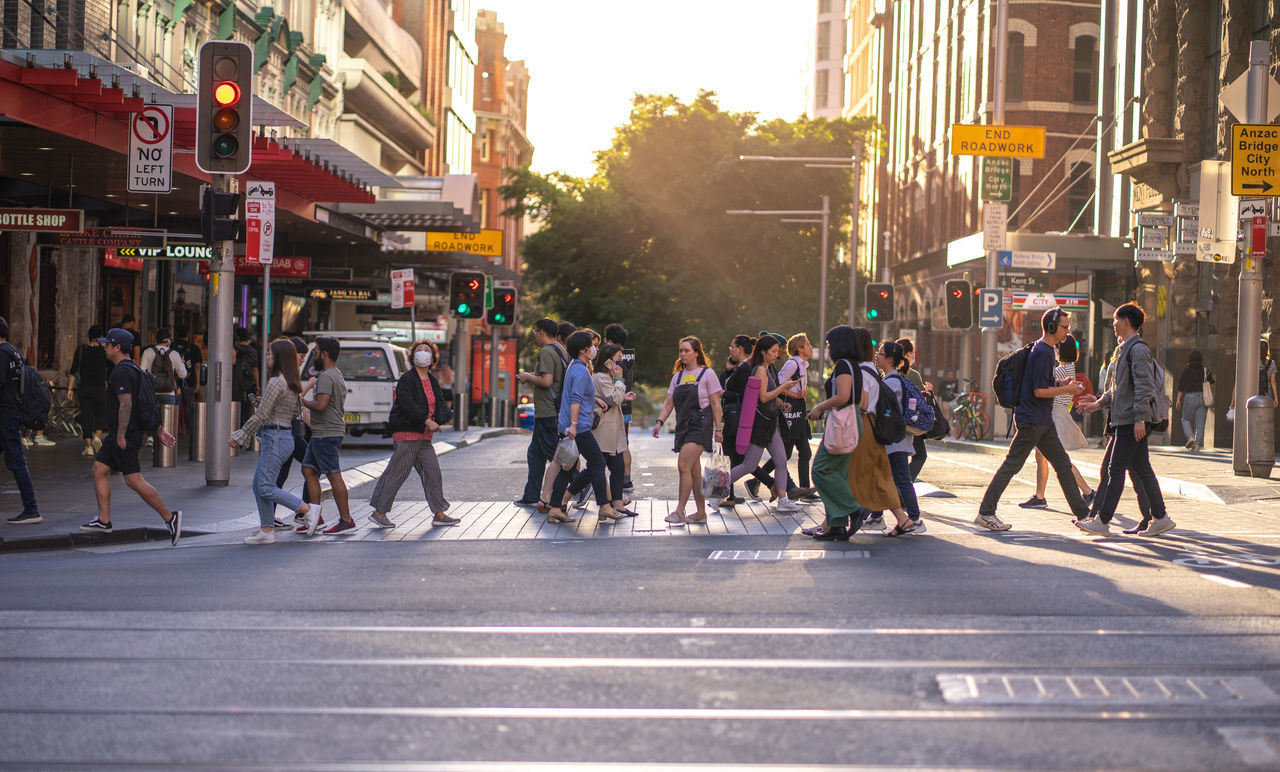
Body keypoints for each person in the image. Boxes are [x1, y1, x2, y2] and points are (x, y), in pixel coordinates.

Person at [974, 308, 1089, 531]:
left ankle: (1084, 515)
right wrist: (1067, 388)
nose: (1068, 331)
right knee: (1012, 466)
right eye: (1065, 327)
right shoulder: (1044, 352)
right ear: (1053, 327)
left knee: (1063, 465)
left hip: (1042, 421)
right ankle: (986, 512)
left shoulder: (1045, 350)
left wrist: (1063, 386)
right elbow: (1038, 390)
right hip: (1033, 420)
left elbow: (1042, 384)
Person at [1075, 302, 1174, 537]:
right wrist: (1097, 404)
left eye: (1116, 320)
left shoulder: (1138, 349)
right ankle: (1160, 517)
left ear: (1126, 322)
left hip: (1131, 421)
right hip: (1127, 419)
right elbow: (1118, 390)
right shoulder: (1124, 349)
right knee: (1142, 469)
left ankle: (1103, 521)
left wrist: (1140, 417)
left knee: (1115, 469)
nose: (1113, 324)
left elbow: (1144, 386)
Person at [79, 328, 181, 544]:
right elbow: (145, 404)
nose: (104, 347)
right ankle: (104, 521)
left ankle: (170, 518)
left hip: (124, 434)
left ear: (117, 347)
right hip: (124, 433)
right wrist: (158, 429)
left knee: (134, 481)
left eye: (107, 344)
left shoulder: (122, 372)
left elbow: (126, 404)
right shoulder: (132, 369)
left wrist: (121, 435)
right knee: (99, 469)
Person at [368, 339, 459, 529]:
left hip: (424, 437)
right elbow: (408, 404)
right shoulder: (407, 379)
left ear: (433, 358)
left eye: (427, 350)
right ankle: (379, 512)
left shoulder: (432, 380)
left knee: (432, 473)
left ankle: (439, 513)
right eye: (420, 349)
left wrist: (446, 416)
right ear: (413, 355)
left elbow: (438, 403)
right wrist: (427, 421)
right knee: (397, 473)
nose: (423, 352)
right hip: (407, 434)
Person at [230, 339, 314, 545]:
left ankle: (306, 509)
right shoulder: (292, 381)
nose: (267, 357)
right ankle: (267, 530)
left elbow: (261, 415)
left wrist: (240, 435)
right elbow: (294, 411)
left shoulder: (276, 381)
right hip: (284, 436)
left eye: (269, 354)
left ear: (278, 358)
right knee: (260, 485)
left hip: (275, 437)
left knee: (265, 486)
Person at [546, 331, 620, 523]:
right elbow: (575, 398)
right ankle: (604, 506)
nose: (595, 348)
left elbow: (577, 393)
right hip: (578, 428)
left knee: (566, 467)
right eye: (592, 345)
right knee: (597, 463)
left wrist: (594, 399)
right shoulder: (580, 370)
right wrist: (574, 424)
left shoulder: (575, 366)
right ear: (583, 350)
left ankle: (555, 508)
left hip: (571, 427)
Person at [724, 333, 801, 514]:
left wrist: (781, 401)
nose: (776, 354)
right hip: (760, 424)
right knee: (749, 465)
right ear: (764, 352)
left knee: (781, 460)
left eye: (776, 351)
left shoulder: (767, 367)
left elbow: (769, 398)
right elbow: (764, 397)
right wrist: (784, 388)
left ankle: (783, 500)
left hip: (770, 421)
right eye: (773, 351)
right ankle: (714, 488)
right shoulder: (759, 369)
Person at [652, 335, 725, 524]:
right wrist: (660, 421)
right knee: (693, 471)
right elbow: (669, 403)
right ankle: (701, 513)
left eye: (687, 351)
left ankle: (680, 511)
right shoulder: (678, 377)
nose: (683, 354)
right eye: (681, 351)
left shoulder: (707, 374)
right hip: (683, 426)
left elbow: (716, 404)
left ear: (696, 353)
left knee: (683, 466)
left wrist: (719, 429)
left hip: (700, 425)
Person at [1020, 334, 1095, 510]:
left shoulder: (1061, 371)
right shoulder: (1068, 368)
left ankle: (1088, 491)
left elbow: (1045, 384)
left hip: (1054, 416)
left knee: (1060, 460)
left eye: (1057, 347)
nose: (1054, 349)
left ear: (1062, 350)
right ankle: (1040, 496)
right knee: (1044, 458)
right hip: (1056, 414)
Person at [803, 326, 862, 540]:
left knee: (820, 470)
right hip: (849, 420)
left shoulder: (844, 365)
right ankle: (836, 526)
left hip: (843, 422)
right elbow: (860, 398)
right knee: (837, 473)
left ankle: (853, 509)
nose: (827, 348)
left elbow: (843, 396)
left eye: (828, 344)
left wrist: (820, 407)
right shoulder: (853, 366)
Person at [299, 336, 353, 535]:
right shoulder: (334, 374)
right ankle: (316, 517)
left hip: (327, 434)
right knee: (308, 470)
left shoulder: (326, 377)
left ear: (325, 354)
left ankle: (346, 520)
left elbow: (321, 405)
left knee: (333, 475)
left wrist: (302, 401)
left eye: (315, 353)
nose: (312, 356)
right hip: (321, 433)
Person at [514, 318, 569, 509]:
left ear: (542, 333)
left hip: (548, 412)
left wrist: (527, 377)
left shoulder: (546, 351)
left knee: (557, 457)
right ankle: (531, 494)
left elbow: (546, 381)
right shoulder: (560, 349)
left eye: (535, 332)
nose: (535, 336)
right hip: (550, 411)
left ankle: (581, 484)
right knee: (535, 454)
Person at [758, 333, 816, 501]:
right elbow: (778, 385)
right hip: (791, 409)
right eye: (808, 344)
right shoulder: (792, 364)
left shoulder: (803, 364)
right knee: (786, 453)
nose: (811, 347)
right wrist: (794, 395)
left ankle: (804, 489)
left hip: (799, 409)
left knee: (804, 451)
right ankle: (757, 479)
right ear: (800, 348)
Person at [876, 341, 924, 532]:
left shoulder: (892, 382)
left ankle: (915, 519)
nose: (876, 355)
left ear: (889, 359)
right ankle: (876, 516)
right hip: (896, 439)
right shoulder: (892, 379)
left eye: (880, 353)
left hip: (895, 440)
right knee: (887, 478)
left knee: (902, 480)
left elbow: (890, 412)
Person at [0, 317, 40, 525]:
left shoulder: (1, 354)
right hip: (11, 413)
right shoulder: (13, 351)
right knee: (16, 461)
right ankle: (31, 508)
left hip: (5, 416)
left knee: (16, 462)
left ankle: (31, 509)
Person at [592, 343, 638, 516]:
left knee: (618, 467)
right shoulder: (602, 378)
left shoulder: (607, 378)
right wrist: (619, 381)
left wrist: (621, 393)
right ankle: (564, 498)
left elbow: (615, 397)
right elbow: (615, 399)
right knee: (594, 469)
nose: (620, 365)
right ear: (607, 361)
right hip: (604, 431)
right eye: (617, 360)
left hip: (612, 432)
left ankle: (618, 504)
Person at [718, 334, 761, 506]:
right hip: (735, 418)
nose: (730, 349)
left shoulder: (745, 368)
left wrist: (723, 393)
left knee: (737, 459)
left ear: (740, 348)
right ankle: (729, 496)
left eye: (732, 346)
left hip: (738, 419)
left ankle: (723, 493)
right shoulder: (739, 368)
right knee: (738, 459)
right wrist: (729, 372)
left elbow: (744, 395)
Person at [275, 336, 313, 529]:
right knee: (311, 466)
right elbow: (295, 403)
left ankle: (271, 516)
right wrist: (308, 387)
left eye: (305, 356)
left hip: (292, 430)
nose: (303, 359)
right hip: (288, 431)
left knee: (281, 474)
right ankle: (302, 511)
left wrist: (313, 427)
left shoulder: (292, 372)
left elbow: (299, 408)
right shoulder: (286, 374)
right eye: (301, 355)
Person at [68, 325, 109, 458]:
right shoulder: (104, 352)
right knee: (100, 414)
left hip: (84, 388)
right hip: (100, 388)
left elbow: (74, 370)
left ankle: (88, 447)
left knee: (86, 416)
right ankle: (97, 437)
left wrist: (69, 389)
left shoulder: (81, 350)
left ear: (88, 336)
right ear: (101, 337)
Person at [603, 323, 635, 491]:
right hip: (627, 406)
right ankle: (626, 480)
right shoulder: (627, 359)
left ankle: (621, 480)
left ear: (609, 340)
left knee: (616, 447)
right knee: (624, 445)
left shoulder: (613, 360)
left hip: (617, 407)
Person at [898, 338, 930, 481]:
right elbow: (921, 398)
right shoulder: (912, 375)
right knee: (920, 454)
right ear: (909, 354)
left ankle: (900, 483)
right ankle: (904, 482)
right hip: (912, 420)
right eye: (912, 353)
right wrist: (928, 392)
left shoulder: (889, 372)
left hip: (893, 420)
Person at [140, 328, 188, 407]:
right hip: (169, 393)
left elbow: (141, 373)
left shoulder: (147, 352)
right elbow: (183, 374)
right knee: (167, 419)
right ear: (168, 340)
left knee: (153, 418)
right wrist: (182, 363)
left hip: (152, 393)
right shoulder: (174, 354)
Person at [1176, 350, 1213, 451]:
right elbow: (1211, 382)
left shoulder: (1186, 370)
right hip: (1203, 397)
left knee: (1185, 418)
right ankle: (1197, 444)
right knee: (1200, 422)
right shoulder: (1205, 370)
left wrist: (1178, 399)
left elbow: (1181, 386)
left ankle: (1190, 437)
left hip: (1190, 397)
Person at [169, 324, 202, 435]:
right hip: (190, 382)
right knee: (189, 408)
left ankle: (173, 430)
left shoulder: (172, 347)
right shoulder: (194, 347)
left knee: (175, 407)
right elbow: (197, 366)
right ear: (187, 334)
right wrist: (198, 383)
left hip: (174, 382)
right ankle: (190, 432)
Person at [232, 327, 259, 425]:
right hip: (247, 387)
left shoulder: (236, 349)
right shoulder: (252, 351)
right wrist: (257, 386)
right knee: (247, 410)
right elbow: (255, 370)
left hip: (238, 386)